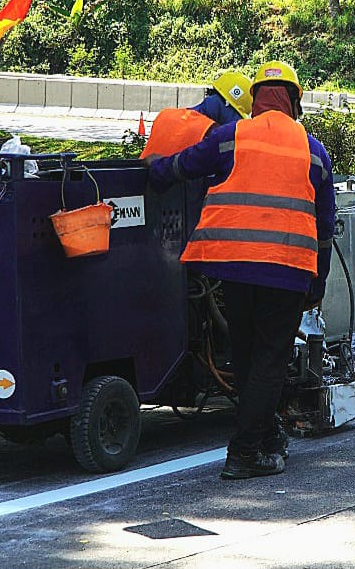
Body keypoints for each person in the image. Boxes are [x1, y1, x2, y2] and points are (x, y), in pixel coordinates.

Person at [143, 60, 336, 480]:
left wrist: (151, 172)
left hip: (233, 267)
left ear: (255, 100)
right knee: (270, 359)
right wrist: (317, 281)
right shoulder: (314, 151)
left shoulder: (231, 136)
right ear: (295, 100)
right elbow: (324, 228)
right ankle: (246, 451)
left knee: (247, 356)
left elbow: (185, 164)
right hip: (285, 270)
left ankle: (266, 437)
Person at [140, 71, 253, 159]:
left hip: (138, 185)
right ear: (226, 106)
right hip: (176, 187)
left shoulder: (166, 114)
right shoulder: (211, 133)